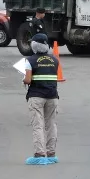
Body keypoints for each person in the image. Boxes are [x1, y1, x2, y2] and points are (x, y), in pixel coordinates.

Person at [23, 33, 59, 163]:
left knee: (38, 125)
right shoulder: (55, 60)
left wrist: (24, 79)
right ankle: (51, 154)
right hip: (53, 96)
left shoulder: (30, 60)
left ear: (34, 45)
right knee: (51, 124)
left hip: (36, 96)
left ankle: (39, 155)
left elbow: (27, 80)